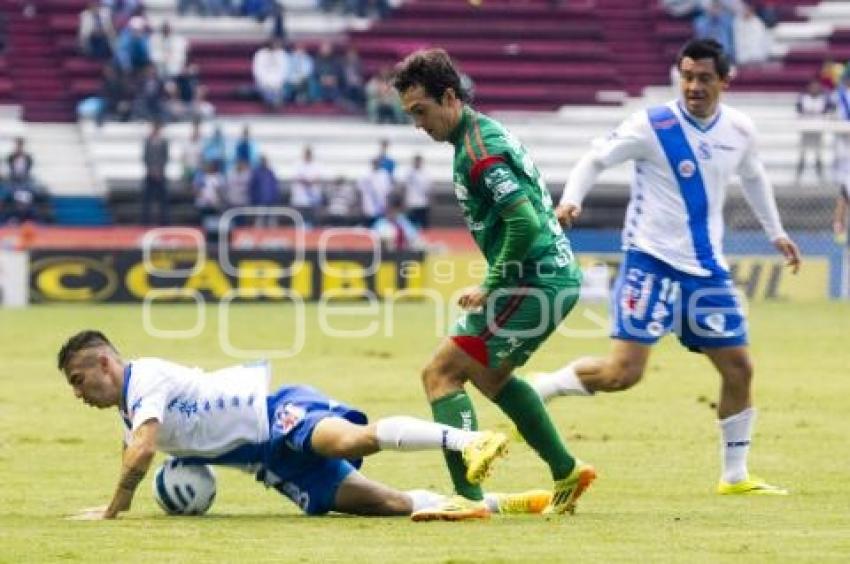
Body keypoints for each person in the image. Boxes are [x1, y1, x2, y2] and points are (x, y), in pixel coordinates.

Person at [536, 38, 801, 496]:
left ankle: (735, 476)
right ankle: (541, 390)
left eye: (703, 78)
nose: (693, 86)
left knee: (739, 368)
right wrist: (571, 201)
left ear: (724, 81)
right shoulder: (652, 124)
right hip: (650, 262)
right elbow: (595, 158)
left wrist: (775, 231)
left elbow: (754, 176)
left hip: (706, 271)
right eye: (687, 76)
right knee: (623, 374)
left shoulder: (739, 129)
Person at [392, 48, 595, 515]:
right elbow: (527, 211)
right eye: (410, 115)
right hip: (553, 276)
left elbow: (522, 223)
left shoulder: (478, 152)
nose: (418, 124)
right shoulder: (483, 134)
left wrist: (491, 283)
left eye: (421, 111)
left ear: (449, 97)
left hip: (534, 280)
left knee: (440, 374)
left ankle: (467, 500)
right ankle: (566, 468)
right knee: (490, 374)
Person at [58, 330, 548, 521]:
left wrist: (113, 509)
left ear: (106, 364)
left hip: (276, 414)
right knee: (390, 506)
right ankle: (499, 504)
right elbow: (172, 444)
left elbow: (142, 453)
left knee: (351, 440)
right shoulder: (131, 413)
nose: (78, 395)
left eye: (80, 381)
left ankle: (470, 440)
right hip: (268, 462)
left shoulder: (145, 378)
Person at [795, 78, 831, 186]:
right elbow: (798, 112)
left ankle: (821, 178)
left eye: (816, 86)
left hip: (818, 130)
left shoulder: (823, 99)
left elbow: (827, 112)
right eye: (812, 86)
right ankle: (798, 178)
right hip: (806, 130)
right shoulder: (803, 98)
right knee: (803, 154)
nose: (814, 88)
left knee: (818, 155)